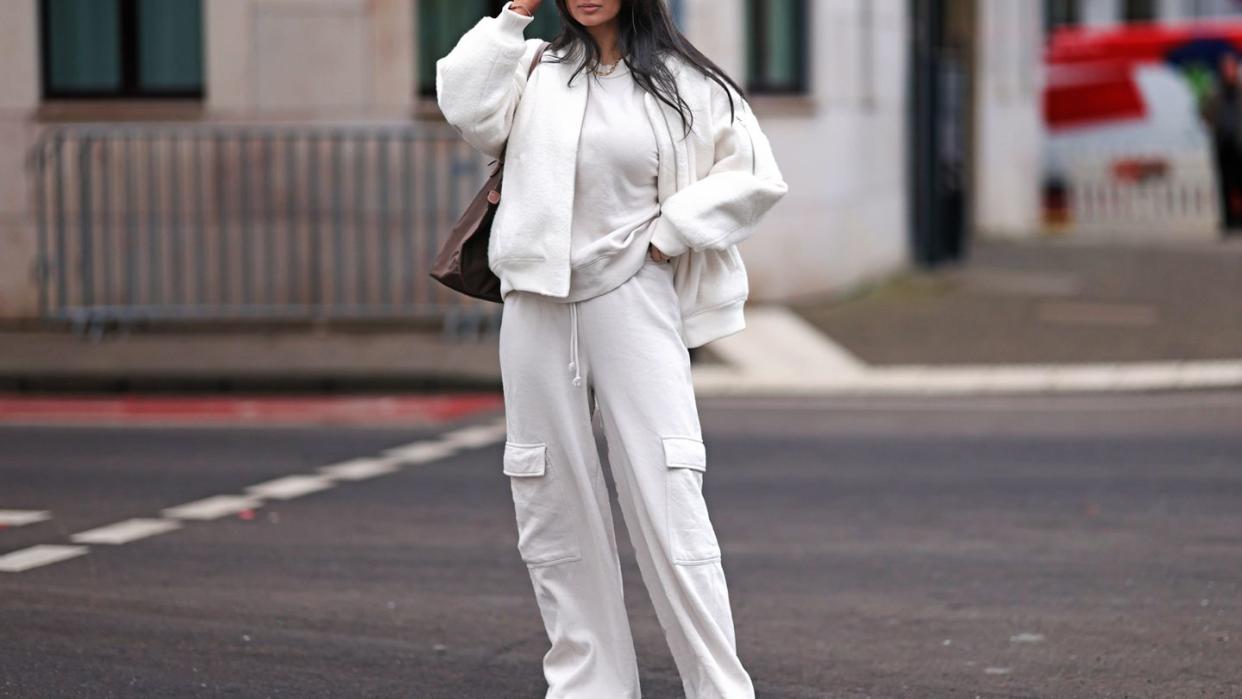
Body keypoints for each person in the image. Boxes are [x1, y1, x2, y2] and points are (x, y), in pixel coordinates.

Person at [436, 1, 788, 696]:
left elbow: (755, 177)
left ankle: (719, 687)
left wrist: (671, 232)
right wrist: (514, 15)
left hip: (632, 295)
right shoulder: (537, 67)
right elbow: (465, 103)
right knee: (548, 496)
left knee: (667, 490)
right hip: (534, 303)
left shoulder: (687, 83)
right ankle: (587, 684)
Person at [1200, 52, 1242, 231]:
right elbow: (1204, 113)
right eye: (1226, 68)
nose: (1229, 71)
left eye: (1231, 67)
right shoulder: (1215, 91)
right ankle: (1228, 219)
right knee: (1225, 182)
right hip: (1222, 142)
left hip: (1239, 141)